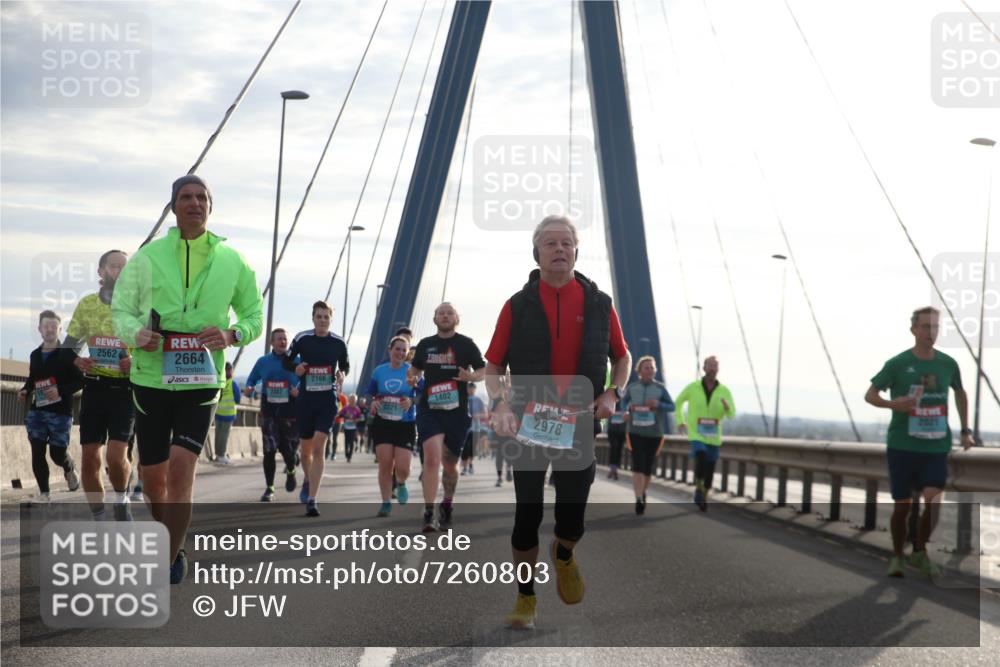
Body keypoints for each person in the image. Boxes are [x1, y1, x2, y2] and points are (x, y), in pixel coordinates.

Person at [112, 175, 263, 584]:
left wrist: (233, 335)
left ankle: (168, 556)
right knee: (152, 477)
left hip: (201, 378)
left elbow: (254, 315)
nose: (194, 203)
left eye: (201, 197)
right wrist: (134, 334)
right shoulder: (147, 258)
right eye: (185, 197)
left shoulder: (234, 260)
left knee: (182, 470)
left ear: (210, 207)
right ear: (173, 207)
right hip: (151, 377)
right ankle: (171, 539)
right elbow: (122, 311)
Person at [486, 215, 631, 630]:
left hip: (579, 424)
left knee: (573, 522)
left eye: (567, 242)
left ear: (576, 252)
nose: (560, 249)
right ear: (537, 253)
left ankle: (563, 553)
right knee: (525, 516)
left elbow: (621, 357)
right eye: (550, 243)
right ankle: (526, 597)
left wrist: (612, 392)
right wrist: (499, 403)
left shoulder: (600, 304)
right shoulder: (516, 305)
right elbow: (494, 363)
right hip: (528, 424)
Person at [865, 306, 974, 578]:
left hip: (936, 446)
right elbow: (870, 395)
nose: (931, 332)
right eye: (925, 326)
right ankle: (898, 555)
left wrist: (964, 430)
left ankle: (920, 551)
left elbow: (960, 393)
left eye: (935, 327)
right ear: (913, 330)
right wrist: (894, 404)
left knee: (933, 500)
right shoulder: (897, 364)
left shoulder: (948, 364)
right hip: (902, 444)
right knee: (902, 506)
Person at [64, 249, 134, 520]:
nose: (119, 271)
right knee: (90, 458)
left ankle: (122, 499)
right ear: (101, 271)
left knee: (117, 457)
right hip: (95, 387)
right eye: (114, 266)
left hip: (125, 389)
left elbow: (151, 346)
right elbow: (70, 346)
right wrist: (78, 361)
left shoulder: (137, 306)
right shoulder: (87, 304)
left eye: (124, 267)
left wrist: (134, 361)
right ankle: (100, 518)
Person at [408, 302, 486, 532]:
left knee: (451, 465)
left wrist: (471, 376)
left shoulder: (466, 344)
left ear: (456, 318)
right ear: (434, 318)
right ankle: (429, 512)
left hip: (457, 413)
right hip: (429, 410)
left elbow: (483, 370)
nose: (445, 315)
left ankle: (447, 504)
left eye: (449, 312)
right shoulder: (425, 345)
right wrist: (411, 377)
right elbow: (415, 369)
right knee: (432, 459)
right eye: (441, 312)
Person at [284, 300, 349, 517]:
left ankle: (313, 499)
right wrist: (297, 368)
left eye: (326, 317)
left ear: (331, 319)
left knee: (319, 448)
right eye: (319, 316)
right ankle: (308, 478)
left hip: (327, 401)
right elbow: (287, 361)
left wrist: (342, 375)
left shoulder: (338, 343)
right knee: (305, 452)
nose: (322, 320)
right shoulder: (302, 339)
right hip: (306, 400)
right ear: (313, 318)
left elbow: (345, 365)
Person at [19, 310, 83, 504]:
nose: (50, 330)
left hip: (61, 413)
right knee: (37, 450)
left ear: (60, 329)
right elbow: (33, 378)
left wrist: (60, 391)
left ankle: (69, 468)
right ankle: (45, 493)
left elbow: (81, 381)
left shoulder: (68, 354)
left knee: (56, 453)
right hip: (37, 410)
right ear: (39, 329)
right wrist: (25, 389)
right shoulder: (35, 355)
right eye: (46, 326)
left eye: (54, 326)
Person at [244, 328, 301, 501]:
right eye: (279, 339)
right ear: (272, 342)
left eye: (285, 339)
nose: (282, 341)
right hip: (269, 410)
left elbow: (305, 381)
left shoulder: (296, 360)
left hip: (290, 411)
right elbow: (252, 378)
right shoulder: (263, 361)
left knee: (287, 450)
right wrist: (250, 387)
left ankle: (291, 470)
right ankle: (269, 488)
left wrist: (297, 390)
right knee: (269, 451)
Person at [674, 356, 735, 511]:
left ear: (718, 369)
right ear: (704, 368)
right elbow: (679, 402)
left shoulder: (724, 391)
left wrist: (727, 407)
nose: (713, 368)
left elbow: (732, 414)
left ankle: (703, 493)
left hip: (714, 436)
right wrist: (681, 420)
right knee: (701, 456)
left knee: (710, 469)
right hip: (696, 433)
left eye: (715, 366)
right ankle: (699, 488)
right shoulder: (693, 387)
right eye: (710, 365)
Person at [367, 336, 419, 517]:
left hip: (405, 424)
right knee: (385, 464)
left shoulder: (412, 372)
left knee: (403, 468)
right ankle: (385, 502)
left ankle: (402, 482)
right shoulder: (379, 371)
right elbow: (369, 393)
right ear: (390, 350)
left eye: (404, 350)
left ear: (407, 353)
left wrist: (412, 400)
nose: (400, 353)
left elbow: (424, 395)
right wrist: (372, 403)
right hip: (383, 422)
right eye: (397, 349)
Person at [622, 356, 675, 515]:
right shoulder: (633, 387)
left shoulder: (660, 389)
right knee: (638, 465)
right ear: (639, 371)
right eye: (647, 368)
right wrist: (626, 411)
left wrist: (659, 404)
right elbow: (624, 403)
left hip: (654, 434)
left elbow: (672, 406)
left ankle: (642, 492)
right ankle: (638, 497)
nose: (650, 370)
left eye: (652, 368)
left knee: (647, 468)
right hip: (635, 432)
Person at [213, 362, 241, 465]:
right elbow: (238, 399)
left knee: (218, 435)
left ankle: (217, 455)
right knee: (224, 436)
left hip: (218, 413)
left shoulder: (219, 382)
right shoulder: (232, 383)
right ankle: (221, 456)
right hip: (228, 414)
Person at [462, 383, 488, 475]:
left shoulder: (479, 400)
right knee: (465, 449)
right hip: (464, 428)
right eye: (470, 388)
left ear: (475, 389)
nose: (471, 390)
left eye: (473, 388)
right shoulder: (463, 399)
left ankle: (470, 464)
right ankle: (465, 468)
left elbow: (485, 414)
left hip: (476, 428)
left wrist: (478, 415)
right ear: (467, 389)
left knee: (472, 449)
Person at [605, 400, 627, 481]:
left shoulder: (627, 400)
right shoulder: (613, 398)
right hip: (612, 429)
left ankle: (615, 470)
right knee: (613, 448)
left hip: (622, 430)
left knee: (619, 449)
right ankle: (612, 469)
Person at [339, 395, 363, 463]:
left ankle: (350, 456)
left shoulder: (357, 409)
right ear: (349, 400)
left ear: (355, 401)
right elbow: (340, 415)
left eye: (353, 400)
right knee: (347, 441)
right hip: (346, 427)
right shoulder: (345, 408)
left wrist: (356, 420)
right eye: (351, 399)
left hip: (353, 427)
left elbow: (360, 418)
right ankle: (346, 454)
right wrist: (345, 416)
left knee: (351, 441)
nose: (352, 401)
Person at [328, 391, 348, 460]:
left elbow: (346, 409)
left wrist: (340, 414)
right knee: (327, 437)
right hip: (329, 420)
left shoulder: (343, 397)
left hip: (338, 421)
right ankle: (326, 453)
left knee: (335, 438)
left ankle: (333, 453)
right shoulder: (329, 394)